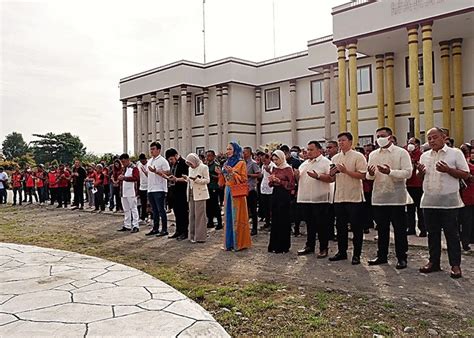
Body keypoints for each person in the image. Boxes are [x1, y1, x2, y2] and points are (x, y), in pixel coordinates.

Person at [417, 127, 470, 279]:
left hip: (449, 202)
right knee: (432, 234)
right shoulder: (425, 155)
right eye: (429, 139)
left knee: (451, 234)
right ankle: (434, 262)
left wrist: (448, 170)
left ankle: (455, 265)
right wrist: (420, 172)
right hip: (429, 201)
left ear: (444, 137)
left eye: (435, 137)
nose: (432, 141)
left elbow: (466, 174)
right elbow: (420, 178)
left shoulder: (455, 153)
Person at [367, 127, 412, 269]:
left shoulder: (401, 153)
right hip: (379, 197)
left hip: (396, 197)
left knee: (399, 229)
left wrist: (390, 172)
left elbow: (408, 173)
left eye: (383, 135)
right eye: (378, 136)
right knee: (381, 229)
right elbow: (370, 177)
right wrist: (370, 173)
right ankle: (382, 256)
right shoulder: (373, 154)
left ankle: (401, 257)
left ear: (390, 137)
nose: (380, 138)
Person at [329, 132, 368, 265]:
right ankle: (342, 252)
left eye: (343, 140)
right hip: (339, 196)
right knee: (340, 227)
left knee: (356, 227)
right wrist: (332, 173)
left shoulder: (358, 156)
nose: (340, 143)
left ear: (350, 142)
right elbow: (332, 178)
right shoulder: (335, 157)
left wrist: (346, 171)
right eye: (339, 140)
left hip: (354, 197)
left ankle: (356, 254)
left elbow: (363, 176)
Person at [296, 141, 332, 258]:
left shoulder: (326, 162)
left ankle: (323, 248)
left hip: (320, 199)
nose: (308, 152)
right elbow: (299, 180)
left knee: (321, 225)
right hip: (305, 199)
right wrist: (296, 175)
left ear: (319, 150)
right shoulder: (304, 164)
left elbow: (332, 178)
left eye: (311, 150)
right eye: (308, 149)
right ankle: (309, 246)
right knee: (310, 225)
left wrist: (318, 176)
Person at [217, 142, 252, 251]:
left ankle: (239, 243)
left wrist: (233, 172)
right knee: (228, 216)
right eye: (227, 149)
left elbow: (244, 179)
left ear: (235, 150)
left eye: (230, 149)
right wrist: (221, 173)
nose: (227, 151)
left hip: (237, 193)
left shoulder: (241, 163)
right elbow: (221, 182)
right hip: (227, 191)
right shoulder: (226, 162)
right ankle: (229, 243)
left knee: (237, 216)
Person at [267, 150, 295, 253]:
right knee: (275, 219)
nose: (275, 161)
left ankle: (283, 246)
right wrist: (271, 181)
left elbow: (291, 184)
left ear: (282, 158)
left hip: (284, 195)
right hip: (275, 193)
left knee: (283, 219)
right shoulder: (274, 168)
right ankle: (274, 244)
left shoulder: (287, 168)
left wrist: (280, 181)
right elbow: (270, 184)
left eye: (277, 159)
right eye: (273, 159)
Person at [183, 153, 210, 243]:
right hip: (191, 192)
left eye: (191, 163)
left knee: (200, 216)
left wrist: (197, 180)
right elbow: (191, 179)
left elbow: (207, 180)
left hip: (200, 193)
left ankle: (200, 237)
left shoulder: (203, 167)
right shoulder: (190, 168)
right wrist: (187, 178)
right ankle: (192, 235)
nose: (190, 165)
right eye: (188, 164)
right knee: (192, 215)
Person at [146, 141, 171, 237]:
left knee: (161, 209)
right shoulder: (150, 161)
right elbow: (149, 174)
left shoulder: (163, 161)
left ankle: (164, 229)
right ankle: (155, 228)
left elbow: (168, 172)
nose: (151, 151)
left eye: (153, 149)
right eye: (151, 149)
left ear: (159, 150)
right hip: (151, 188)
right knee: (154, 210)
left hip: (159, 188)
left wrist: (156, 171)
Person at [165, 148, 189, 240]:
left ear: (176, 156)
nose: (170, 161)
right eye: (169, 160)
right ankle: (178, 230)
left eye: (171, 159)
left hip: (182, 192)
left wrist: (176, 179)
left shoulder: (184, 164)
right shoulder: (173, 165)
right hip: (174, 191)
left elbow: (187, 178)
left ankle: (184, 232)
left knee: (183, 213)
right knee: (176, 212)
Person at [405, 137, 426, 237]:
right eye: (408, 142)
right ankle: (411, 228)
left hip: (418, 184)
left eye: (412, 143)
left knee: (420, 208)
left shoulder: (421, 155)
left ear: (417, 144)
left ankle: (423, 229)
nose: (410, 145)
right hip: (408, 184)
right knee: (410, 208)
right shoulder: (406, 154)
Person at [117, 153, 140, 233]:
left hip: (131, 191)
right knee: (126, 209)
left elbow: (136, 178)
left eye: (123, 161)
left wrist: (125, 178)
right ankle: (127, 225)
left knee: (133, 208)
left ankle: (135, 225)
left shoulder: (134, 168)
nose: (123, 163)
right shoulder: (124, 169)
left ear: (127, 160)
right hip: (123, 191)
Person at [243, 147, 262, 236]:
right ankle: (246, 227)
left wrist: (249, 175)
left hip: (251, 189)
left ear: (250, 153)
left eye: (246, 152)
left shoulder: (253, 163)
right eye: (243, 152)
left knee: (253, 210)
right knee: (245, 210)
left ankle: (254, 228)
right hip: (243, 189)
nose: (244, 154)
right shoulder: (242, 163)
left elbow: (259, 174)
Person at [460, 147, 474, 251]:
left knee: (469, 221)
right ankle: (465, 241)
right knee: (465, 221)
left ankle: (468, 240)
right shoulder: (466, 167)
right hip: (464, 197)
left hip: (469, 197)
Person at [206, 150, 223, 230]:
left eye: (209, 155)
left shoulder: (216, 165)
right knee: (208, 206)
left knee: (215, 205)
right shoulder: (206, 165)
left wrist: (211, 176)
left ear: (213, 156)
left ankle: (219, 222)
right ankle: (210, 221)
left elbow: (220, 176)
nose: (208, 157)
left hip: (214, 187)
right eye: (207, 156)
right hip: (208, 187)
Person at [326, 141, 339, 241]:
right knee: (329, 214)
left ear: (336, 148)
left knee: (339, 215)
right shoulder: (326, 160)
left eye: (330, 147)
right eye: (327, 148)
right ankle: (330, 233)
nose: (328, 150)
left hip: (339, 189)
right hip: (328, 189)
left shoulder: (340, 158)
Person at [259, 153, 275, 229]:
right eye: (262, 161)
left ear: (269, 159)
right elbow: (261, 175)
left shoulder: (273, 165)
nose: (264, 162)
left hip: (271, 189)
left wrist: (269, 171)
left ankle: (272, 222)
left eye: (265, 160)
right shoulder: (263, 166)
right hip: (264, 187)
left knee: (271, 207)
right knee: (265, 207)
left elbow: (275, 175)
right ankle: (267, 222)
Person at [136, 154, 149, 224]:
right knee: (143, 203)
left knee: (150, 204)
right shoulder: (139, 164)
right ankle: (143, 217)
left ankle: (151, 218)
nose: (142, 162)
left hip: (149, 186)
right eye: (141, 161)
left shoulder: (149, 164)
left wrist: (145, 172)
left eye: (143, 160)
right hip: (142, 186)